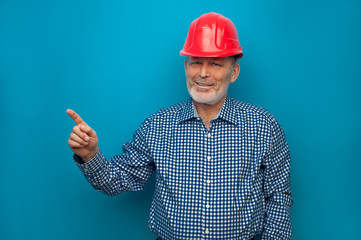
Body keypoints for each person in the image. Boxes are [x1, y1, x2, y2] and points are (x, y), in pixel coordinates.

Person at [67, 12, 292, 240]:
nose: (203, 73)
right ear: (186, 67)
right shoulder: (157, 126)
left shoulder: (263, 126)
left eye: (215, 64)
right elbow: (116, 181)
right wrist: (90, 155)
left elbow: (278, 196)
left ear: (234, 72)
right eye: (196, 63)